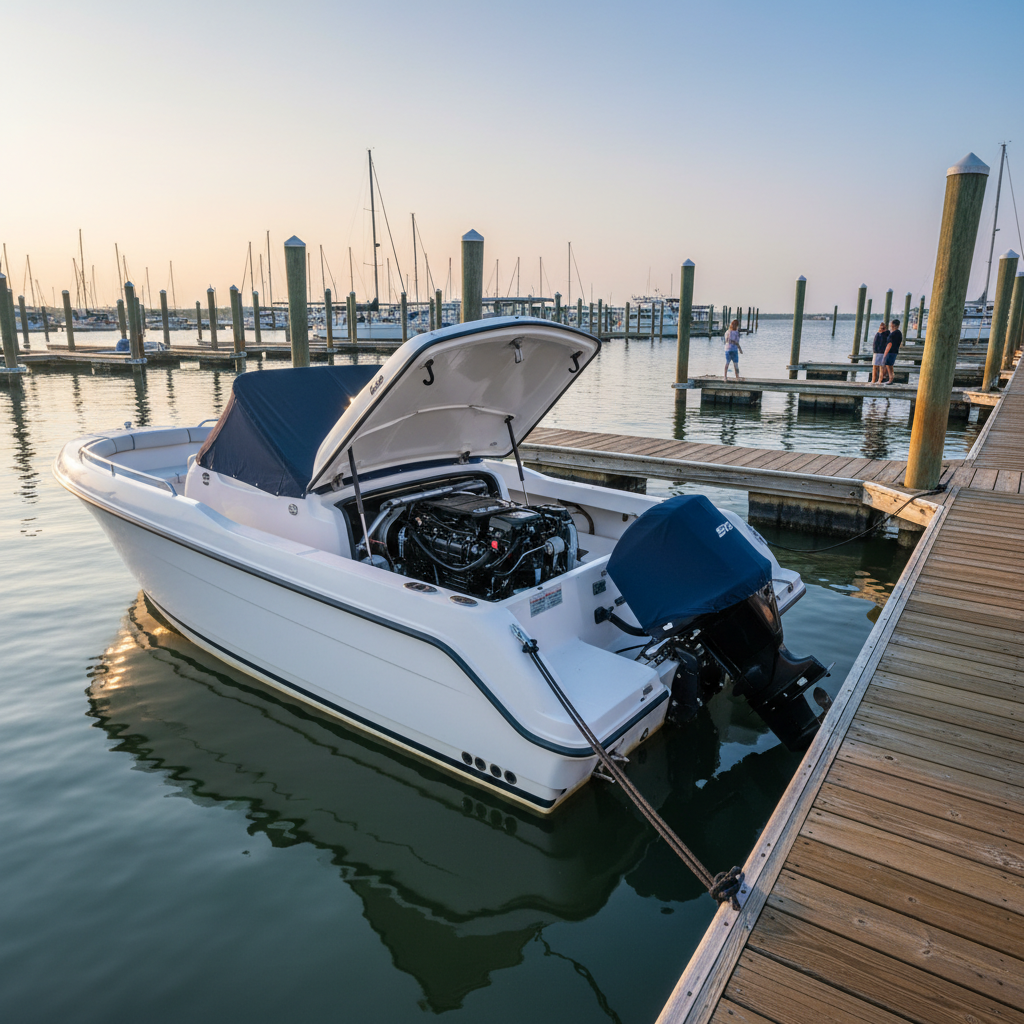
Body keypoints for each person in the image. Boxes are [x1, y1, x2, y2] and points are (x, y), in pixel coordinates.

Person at [882, 318, 903, 384]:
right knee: (890, 365)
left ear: (893, 325)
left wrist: (885, 353)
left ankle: (890, 379)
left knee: (888, 365)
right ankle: (890, 377)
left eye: (891, 324)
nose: (890, 325)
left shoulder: (895, 333)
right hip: (894, 350)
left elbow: (890, 344)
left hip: (891, 351)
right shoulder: (897, 333)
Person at [870, 319, 890, 384]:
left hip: (882, 352)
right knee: (875, 367)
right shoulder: (878, 334)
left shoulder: (886, 334)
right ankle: (873, 380)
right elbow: (874, 343)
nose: (882, 329)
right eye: (881, 328)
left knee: (881, 367)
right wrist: (874, 351)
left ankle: (879, 380)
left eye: (883, 328)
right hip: (877, 352)